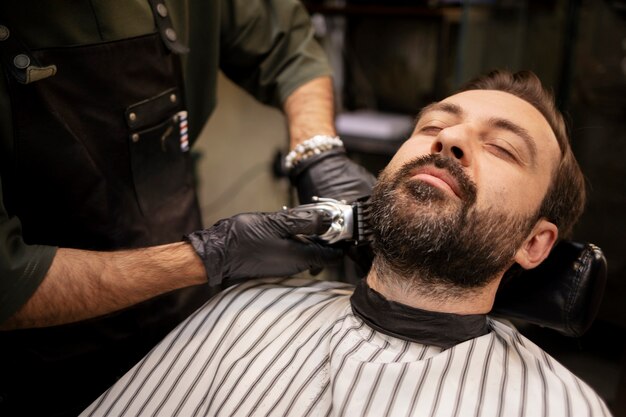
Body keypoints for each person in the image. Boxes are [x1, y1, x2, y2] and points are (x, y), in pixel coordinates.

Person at [81, 70, 611, 417]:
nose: (448, 140)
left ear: (536, 244)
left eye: (500, 147)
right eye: (432, 126)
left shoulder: (561, 406)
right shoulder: (243, 310)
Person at [0, 1, 375, 416]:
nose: (445, 141)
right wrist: (210, 254)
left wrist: (317, 151)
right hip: (41, 355)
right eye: (433, 125)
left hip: (187, 316)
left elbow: (287, 43)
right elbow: (7, 281)